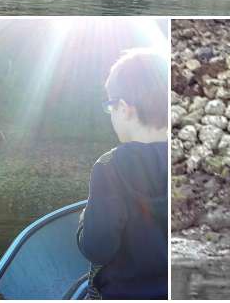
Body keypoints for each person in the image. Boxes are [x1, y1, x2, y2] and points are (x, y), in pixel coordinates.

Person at [77, 48, 168, 300]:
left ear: (125, 108)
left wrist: (85, 222)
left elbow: (97, 248)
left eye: (110, 106)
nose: (111, 115)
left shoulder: (109, 167)